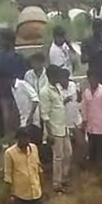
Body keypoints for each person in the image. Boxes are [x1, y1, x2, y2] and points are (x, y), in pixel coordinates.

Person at [40, 64, 72, 193]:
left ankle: (64, 177)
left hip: (63, 127)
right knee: (58, 157)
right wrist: (50, 133)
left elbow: (57, 106)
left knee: (68, 153)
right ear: (51, 76)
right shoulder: (45, 92)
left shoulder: (57, 88)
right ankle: (56, 183)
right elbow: (45, 115)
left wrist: (65, 101)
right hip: (55, 129)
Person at [0, 29, 27, 139]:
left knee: (13, 117)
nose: (0, 43)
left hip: (13, 90)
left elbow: (22, 74)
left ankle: (14, 139)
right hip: (6, 91)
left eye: (2, 40)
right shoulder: (4, 55)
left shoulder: (11, 56)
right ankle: (11, 139)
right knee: (9, 117)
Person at [81, 69, 102, 168]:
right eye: (90, 78)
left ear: (98, 79)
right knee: (92, 149)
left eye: (94, 78)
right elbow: (84, 109)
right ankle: (94, 170)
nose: (92, 80)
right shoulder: (86, 93)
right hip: (91, 127)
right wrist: (84, 122)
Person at [81, 17, 102, 91]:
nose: (101, 30)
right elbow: (83, 59)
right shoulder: (87, 42)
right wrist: (95, 54)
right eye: (98, 28)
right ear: (94, 29)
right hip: (94, 77)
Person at [12, 75, 40, 143]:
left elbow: (35, 100)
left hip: (32, 121)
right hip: (24, 120)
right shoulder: (12, 88)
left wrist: (30, 116)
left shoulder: (23, 84)